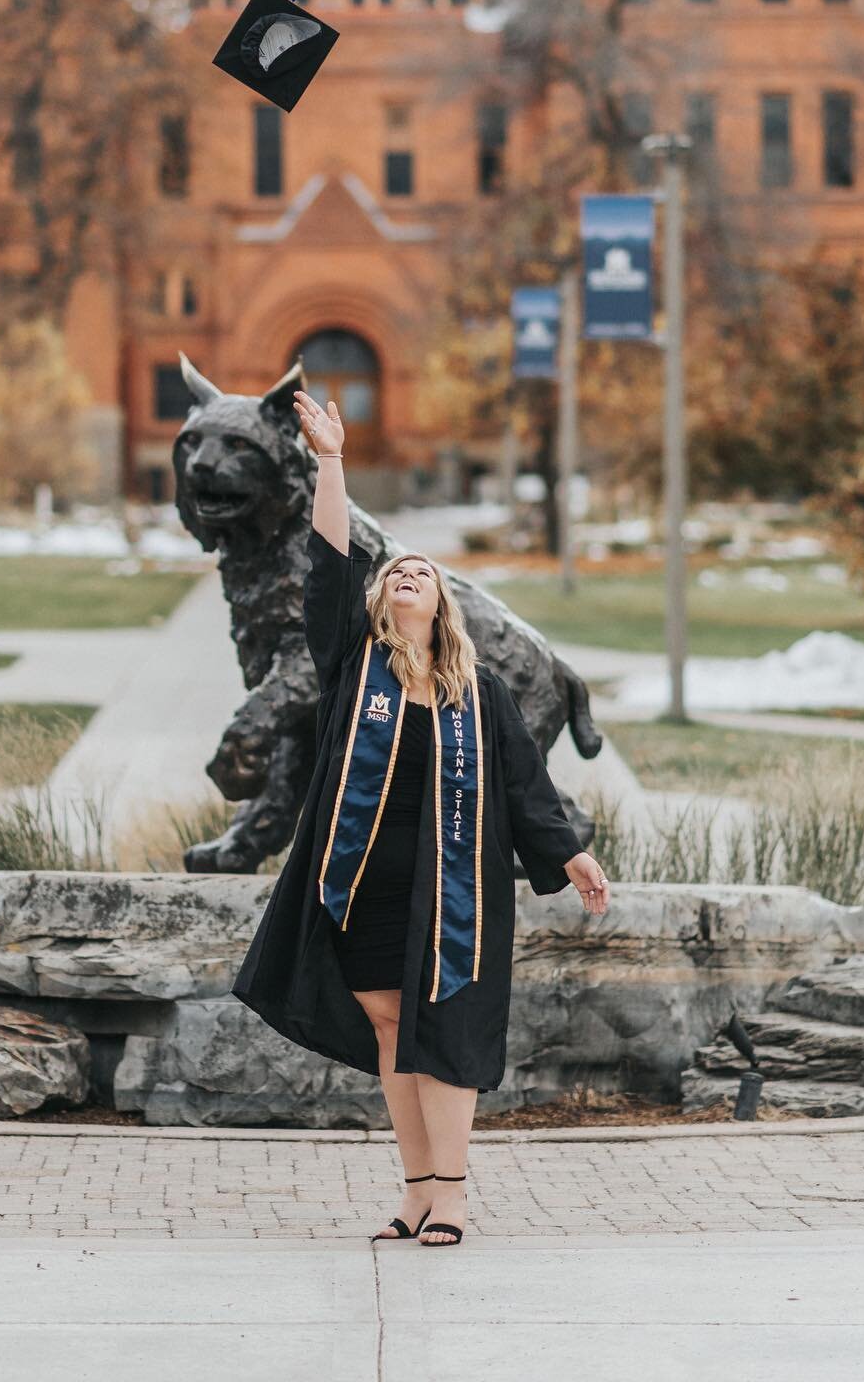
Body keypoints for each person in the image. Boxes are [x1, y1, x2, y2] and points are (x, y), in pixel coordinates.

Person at [232, 389, 610, 1247]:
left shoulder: (478, 694)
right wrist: (329, 460)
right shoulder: (352, 669)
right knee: (391, 1029)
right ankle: (414, 1189)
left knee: (440, 1030)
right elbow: (326, 565)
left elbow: (524, 786)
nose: (409, 573)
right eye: (397, 571)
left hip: (453, 890)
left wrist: (570, 856)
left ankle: (454, 1195)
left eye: (424, 574)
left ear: (443, 605)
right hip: (364, 882)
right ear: (381, 600)